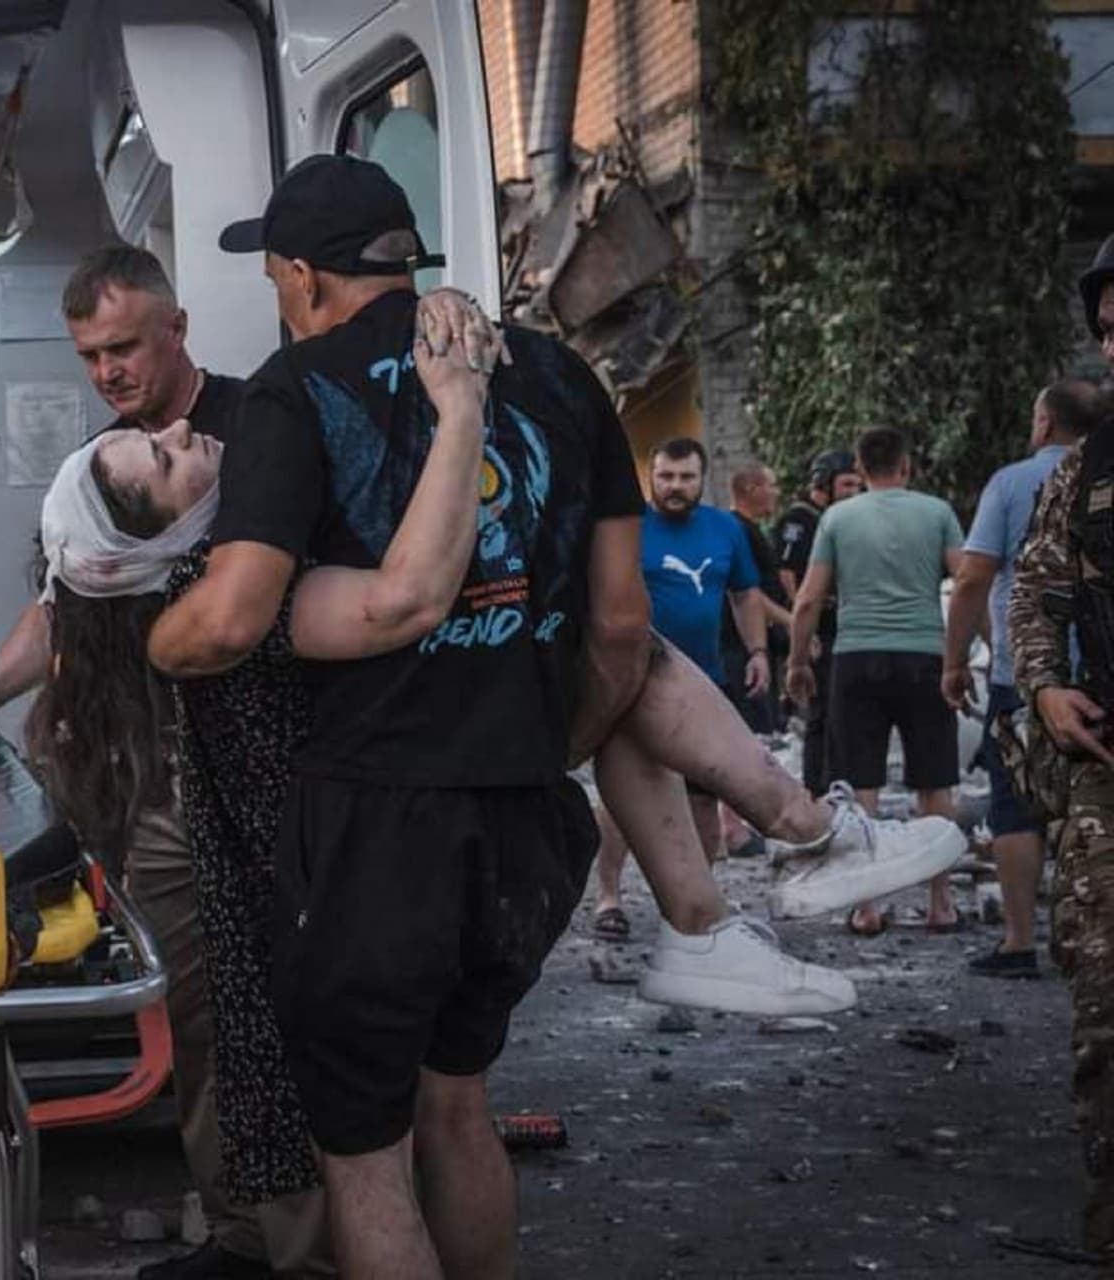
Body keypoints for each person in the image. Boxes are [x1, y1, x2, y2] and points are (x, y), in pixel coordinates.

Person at [136, 155, 961, 1278]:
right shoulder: (565, 378)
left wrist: (152, 636)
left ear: (298, 274)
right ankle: (784, 850)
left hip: (375, 828)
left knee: (366, 1159)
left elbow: (233, 621)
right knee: (460, 1106)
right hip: (527, 823)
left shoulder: (295, 389)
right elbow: (623, 628)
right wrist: (548, 746)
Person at [0, 245, 332, 1280]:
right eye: (90, 354)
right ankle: (235, 1231)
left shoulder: (252, 432)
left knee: (292, 1020)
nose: (110, 372)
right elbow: (60, 611)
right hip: (160, 791)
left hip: (275, 777)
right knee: (199, 1021)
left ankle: (308, 1248)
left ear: (176, 326)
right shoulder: (103, 472)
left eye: (126, 346)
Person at [1008, 232, 1114, 1259]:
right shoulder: (1083, 470)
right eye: (1113, 329)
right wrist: (1043, 686)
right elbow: (1037, 592)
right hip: (1104, 773)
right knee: (1104, 1005)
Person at [945, 379, 1097, 977]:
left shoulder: (1012, 483)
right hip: (1101, 673)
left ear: (1043, 424)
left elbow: (975, 575)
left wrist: (955, 660)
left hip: (1027, 675)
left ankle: (1017, 943)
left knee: (1015, 807)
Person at [789, 426, 965, 935]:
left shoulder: (838, 518)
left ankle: (867, 906)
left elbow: (807, 601)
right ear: (906, 466)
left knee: (861, 782)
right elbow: (966, 581)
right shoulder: (937, 513)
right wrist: (981, 652)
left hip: (856, 658)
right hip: (925, 656)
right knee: (935, 781)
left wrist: (797, 661)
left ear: (860, 470)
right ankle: (942, 901)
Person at [593, 439, 772, 933]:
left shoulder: (725, 529)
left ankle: (696, 910)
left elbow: (744, 595)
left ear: (703, 478)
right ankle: (608, 898)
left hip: (705, 686)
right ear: (651, 477)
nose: (675, 487)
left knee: (702, 800)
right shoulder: (628, 528)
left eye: (686, 477)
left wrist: (757, 652)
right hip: (633, 685)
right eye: (667, 476)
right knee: (622, 800)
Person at [775, 449, 866, 797]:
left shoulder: (840, 517)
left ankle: (834, 785)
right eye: (846, 484)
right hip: (816, 630)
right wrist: (803, 626)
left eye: (858, 485)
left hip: (839, 628)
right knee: (822, 713)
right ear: (823, 484)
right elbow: (786, 574)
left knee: (839, 712)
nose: (853, 491)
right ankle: (818, 788)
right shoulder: (802, 519)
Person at [721, 462, 793, 735]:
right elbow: (749, 593)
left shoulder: (751, 529)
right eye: (771, 486)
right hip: (742, 648)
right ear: (752, 489)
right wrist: (792, 622)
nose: (776, 493)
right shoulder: (738, 531)